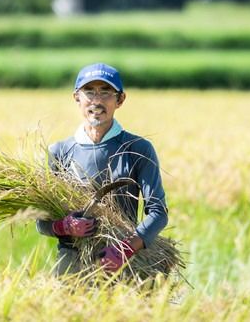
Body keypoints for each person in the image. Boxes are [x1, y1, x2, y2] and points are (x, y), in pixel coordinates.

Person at [36, 62, 168, 275]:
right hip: (71, 265)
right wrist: (65, 227)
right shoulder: (59, 152)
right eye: (89, 92)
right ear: (76, 98)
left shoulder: (137, 149)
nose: (97, 101)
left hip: (122, 263)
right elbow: (42, 222)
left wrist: (125, 249)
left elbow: (158, 213)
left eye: (106, 92)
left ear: (120, 100)